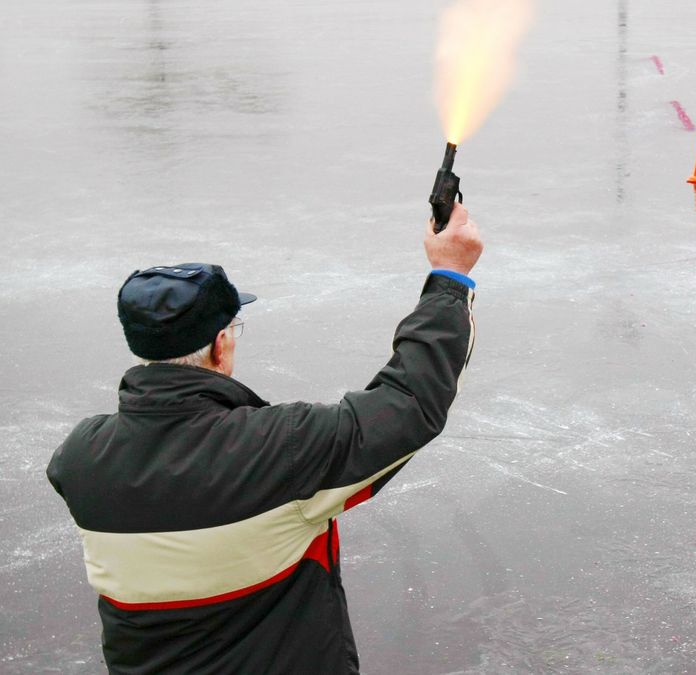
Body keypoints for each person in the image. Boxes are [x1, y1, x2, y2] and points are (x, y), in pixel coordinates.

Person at [46, 204, 483, 673]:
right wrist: (450, 277)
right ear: (220, 344)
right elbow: (410, 405)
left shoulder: (79, 458)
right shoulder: (281, 449)